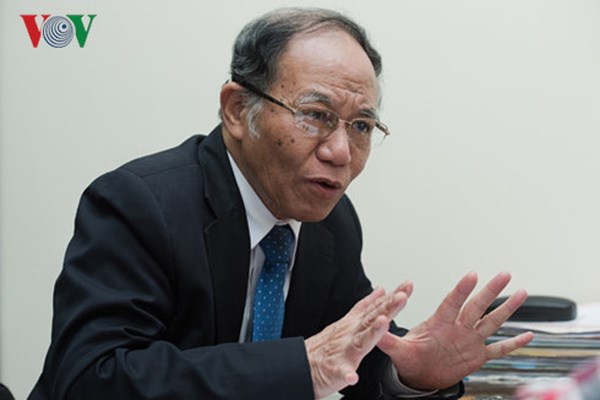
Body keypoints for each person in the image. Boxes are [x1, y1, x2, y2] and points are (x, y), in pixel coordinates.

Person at [29, 7, 533, 400]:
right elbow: (92, 379)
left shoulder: (331, 221)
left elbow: (344, 353)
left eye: (361, 126)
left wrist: (408, 371)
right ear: (236, 109)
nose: (340, 152)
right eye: (316, 115)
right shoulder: (140, 204)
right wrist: (300, 366)